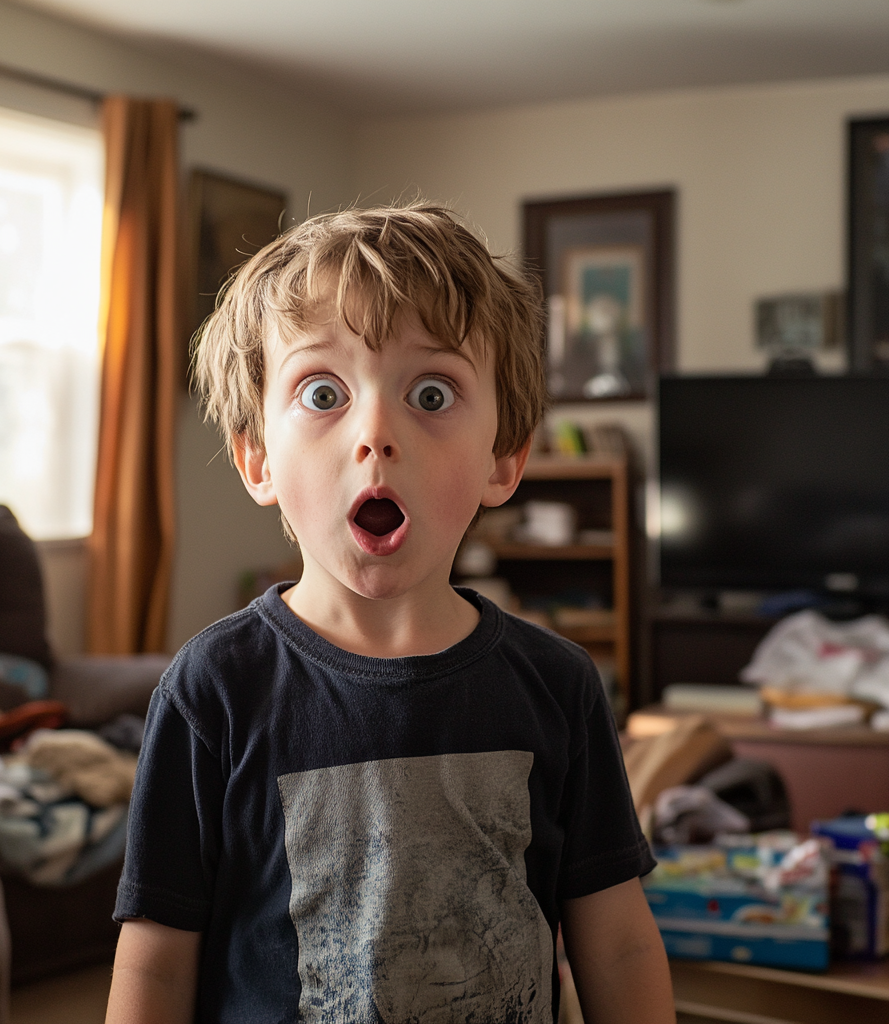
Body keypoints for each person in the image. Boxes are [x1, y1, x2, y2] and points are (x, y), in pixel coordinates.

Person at [105, 202, 675, 1024]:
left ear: (505, 459)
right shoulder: (212, 691)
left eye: (432, 392)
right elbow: (157, 966)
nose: (375, 433)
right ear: (257, 457)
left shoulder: (558, 687)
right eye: (324, 392)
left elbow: (617, 942)